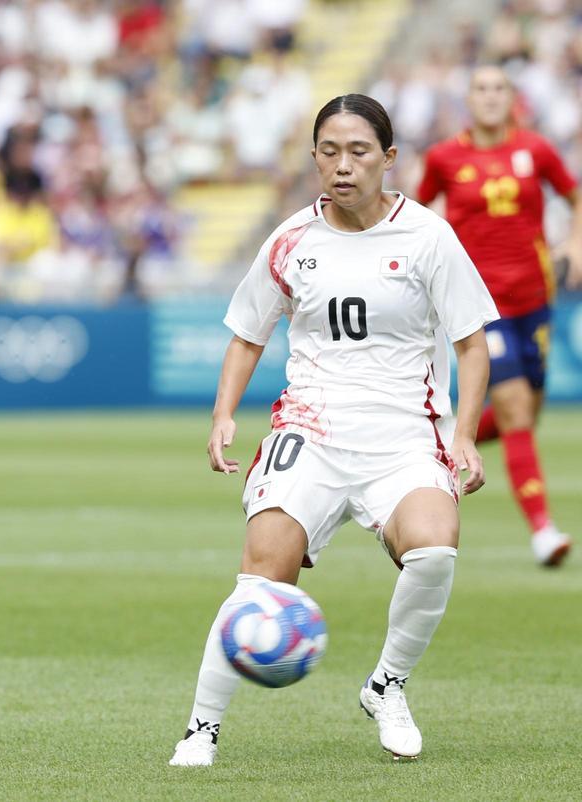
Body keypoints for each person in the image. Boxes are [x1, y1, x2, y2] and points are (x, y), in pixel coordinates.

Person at [170, 95, 497, 767]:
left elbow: (472, 346)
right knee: (264, 566)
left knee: (435, 550)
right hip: (312, 430)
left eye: (358, 152)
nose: (342, 166)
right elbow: (246, 334)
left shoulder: (428, 236)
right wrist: (224, 412)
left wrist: (463, 434)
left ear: (389, 159)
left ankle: (388, 685)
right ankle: (201, 729)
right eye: (328, 151)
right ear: (314, 156)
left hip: (405, 434)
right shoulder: (291, 239)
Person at [417, 64, 581, 567]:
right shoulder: (445, 157)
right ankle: (543, 531)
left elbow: (575, 196)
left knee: (524, 415)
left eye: (499, 88)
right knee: (512, 407)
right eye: (481, 88)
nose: (490, 96)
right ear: (468, 98)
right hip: (478, 306)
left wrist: (574, 242)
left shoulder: (536, 150)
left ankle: (442, 442)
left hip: (535, 297)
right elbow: (415, 214)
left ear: (512, 98)